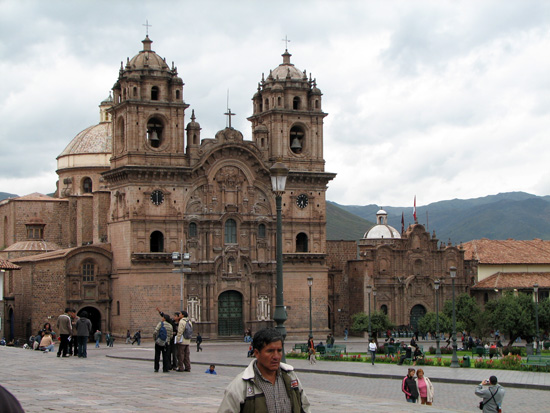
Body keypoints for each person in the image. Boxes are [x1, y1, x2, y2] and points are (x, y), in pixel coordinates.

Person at [218, 328, 311, 412]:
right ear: (256, 353)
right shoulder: (239, 387)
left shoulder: (291, 378)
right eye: (270, 351)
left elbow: (305, 408)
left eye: (279, 350)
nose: (276, 356)